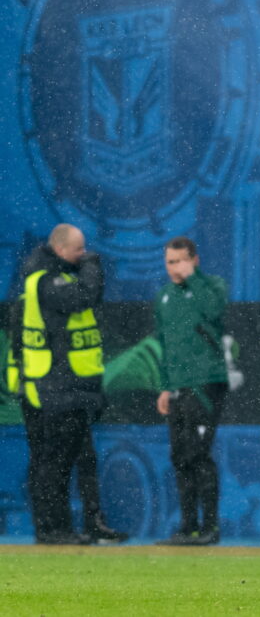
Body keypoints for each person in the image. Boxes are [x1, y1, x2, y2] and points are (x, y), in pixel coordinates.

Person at [8, 224, 126, 544]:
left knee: (63, 460)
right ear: (60, 250)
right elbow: (83, 297)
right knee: (52, 463)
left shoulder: (45, 277)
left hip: (65, 388)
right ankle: (53, 529)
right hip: (54, 388)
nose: (84, 255)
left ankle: (62, 527)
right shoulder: (47, 280)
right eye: (79, 250)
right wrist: (92, 268)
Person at [154, 236, 229, 546]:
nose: (175, 268)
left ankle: (210, 527)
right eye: (170, 262)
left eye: (180, 261)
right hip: (178, 388)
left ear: (194, 260)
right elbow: (162, 344)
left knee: (199, 454)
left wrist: (192, 279)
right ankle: (187, 526)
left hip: (206, 383)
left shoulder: (211, 286)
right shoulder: (164, 297)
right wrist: (164, 387)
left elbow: (213, 312)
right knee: (179, 455)